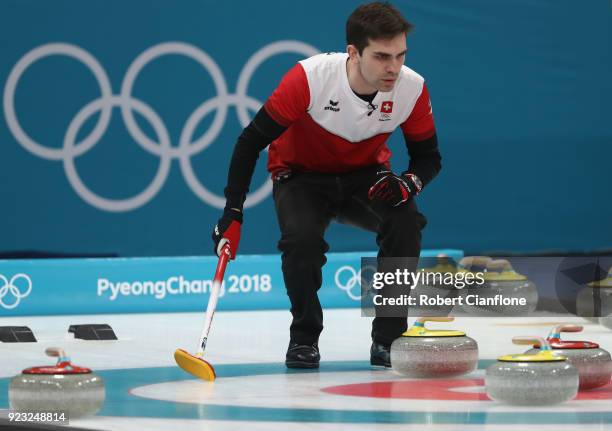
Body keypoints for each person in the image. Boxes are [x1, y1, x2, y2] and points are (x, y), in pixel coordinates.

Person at [212, 1, 441, 369]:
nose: (394, 67)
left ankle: (388, 340)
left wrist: (409, 183)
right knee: (301, 241)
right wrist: (232, 212)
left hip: (365, 177)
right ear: (354, 52)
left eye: (400, 55)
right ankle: (304, 338)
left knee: (405, 222)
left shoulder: (411, 89)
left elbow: (428, 158)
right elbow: (250, 142)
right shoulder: (310, 78)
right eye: (382, 57)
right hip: (301, 176)